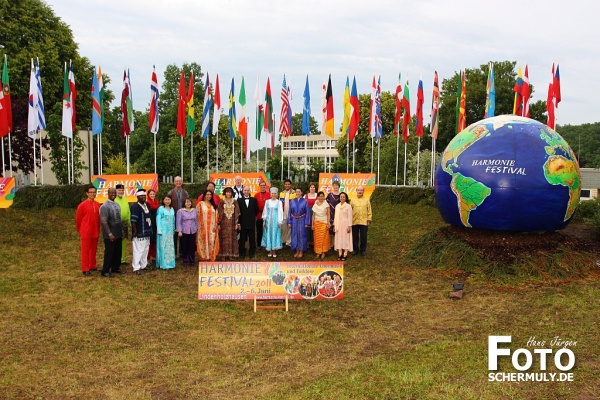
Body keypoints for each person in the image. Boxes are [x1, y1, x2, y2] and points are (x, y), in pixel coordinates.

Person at [99, 187, 125, 277]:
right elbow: (104, 222)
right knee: (109, 252)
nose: (113, 194)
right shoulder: (104, 206)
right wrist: (109, 234)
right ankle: (105, 270)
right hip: (109, 234)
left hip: (117, 232)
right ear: (108, 194)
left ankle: (115, 267)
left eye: (114, 193)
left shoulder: (117, 205)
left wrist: (121, 231)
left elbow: (120, 219)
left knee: (118, 252)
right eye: (111, 193)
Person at [75, 185, 100, 276]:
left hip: (95, 230)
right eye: (91, 192)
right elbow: (78, 219)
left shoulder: (97, 204)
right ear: (87, 193)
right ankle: (85, 268)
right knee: (85, 251)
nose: (93, 194)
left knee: (93, 250)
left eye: (94, 192)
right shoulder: (82, 205)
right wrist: (80, 229)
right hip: (86, 231)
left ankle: (92, 265)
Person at [130, 189, 153, 275]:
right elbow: (133, 220)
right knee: (138, 250)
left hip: (147, 231)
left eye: (144, 195)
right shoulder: (135, 206)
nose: (143, 197)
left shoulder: (147, 204)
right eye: (141, 196)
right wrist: (135, 231)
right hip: (139, 232)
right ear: (137, 197)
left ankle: (143, 264)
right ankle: (136, 267)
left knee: (145, 249)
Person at [166, 176, 189, 258]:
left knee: (183, 234)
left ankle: (182, 252)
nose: (178, 183)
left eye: (180, 181)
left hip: (183, 216)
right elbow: (167, 203)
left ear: (182, 182)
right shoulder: (170, 193)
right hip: (174, 215)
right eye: (177, 181)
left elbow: (188, 204)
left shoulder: (185, 193)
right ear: (174, 182)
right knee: (174, 234)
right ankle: (174, 253)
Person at [217, 187, 240, 260]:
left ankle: (230, 254)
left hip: (232, 223)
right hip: (223, 223)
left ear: (232, 193)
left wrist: (236, 223)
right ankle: (223, 254)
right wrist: (219, 223)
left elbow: (237, 213)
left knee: (232, 238)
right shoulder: (222, 202)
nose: (228, 194)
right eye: (227, 192)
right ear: (224, 193)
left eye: (230, 192)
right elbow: (219, 213)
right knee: (223, 238)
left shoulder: (235, 201)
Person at [196, 190, 219, 261]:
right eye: (207, 194)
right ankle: (204, 257)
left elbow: (216, 215)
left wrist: (216, 225)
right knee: (203, 241)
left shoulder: (213, 205)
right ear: (204, 195)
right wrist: (198, 226)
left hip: (212, 227)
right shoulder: (200, 204)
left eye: (210, 195)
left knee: (211, 241)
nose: (209, 196)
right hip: (203, 227)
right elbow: (197, 215)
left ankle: (211, 257)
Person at [288, 187, 311, 258]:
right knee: (295, 235)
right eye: (296, 192)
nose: (297, 193)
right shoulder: (292, 201)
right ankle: (297, 250)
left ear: (301, 193)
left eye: (299, 192)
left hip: (302, 220)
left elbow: (307, 212)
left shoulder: (305, 201)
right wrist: (289, 221)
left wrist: (307, 223)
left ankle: (301, 251)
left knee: (302, 235)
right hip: (294, 220)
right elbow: (289, 212)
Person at [237, 186, 259, 259]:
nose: (246, 192)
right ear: (243, 191)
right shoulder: (239, 200)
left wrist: (251, 216)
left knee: (252, 239)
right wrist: (239, 222)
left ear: (250, 191)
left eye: (248, 190)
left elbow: (257, 210)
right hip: (242, 223)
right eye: (245, 190)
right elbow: (238, 212)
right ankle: (242, 253)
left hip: (251, 223)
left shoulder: (254, 200)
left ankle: (252, 252)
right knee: (242, 239)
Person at [156, 195, 176, 269]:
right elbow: (158, 219)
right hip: (163, 231)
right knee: (163, 247)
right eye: (166, 200)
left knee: (170, 247)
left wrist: (174, 229)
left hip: (170, 231)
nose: (167, 201)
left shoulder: (172, 209)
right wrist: (159, 230)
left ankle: (170, 263)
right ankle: (163, 264)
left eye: (169, 200)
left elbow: (173, 220)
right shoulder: (161, 209)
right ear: (163, 201)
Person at [262, 187, 283, 258]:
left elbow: (280, 212)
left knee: (275, 234)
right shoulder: (267, 201)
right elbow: (265, 211)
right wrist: (264, 220)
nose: (273, 195)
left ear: (276, 194)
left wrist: (280, 221)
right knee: (269, 234)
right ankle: (270, 250)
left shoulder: (279, 202)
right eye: (272, 193)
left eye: (275, 193)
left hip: (275, 221)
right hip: (268, 221)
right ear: (270, 194)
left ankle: (274, 250)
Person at [351, 185, 372, 256]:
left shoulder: (367, 200)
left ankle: (363, 250)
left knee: (364, 236)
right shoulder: (352, 200)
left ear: (363, 191)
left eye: (361, 190)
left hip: (364, 221)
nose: (360, 191)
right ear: (356, 191)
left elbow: (369, 210)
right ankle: (355, 249)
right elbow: (349, 210)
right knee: (355, 236)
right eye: (358, 190)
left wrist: (369, 219)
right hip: (354, 221)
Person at [176, 198, 198, 267]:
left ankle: (192, 260)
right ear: (184, 203)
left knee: (192, 246)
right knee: (184, 246)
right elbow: (178, 221)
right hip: (184, 231)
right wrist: (179, 231)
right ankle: (185, 260)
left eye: (189, 202)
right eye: (186, 202)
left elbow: (196, 220)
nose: (188, 203)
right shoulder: (180, 211)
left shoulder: (194, 210)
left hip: (193, 230)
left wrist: (197, 228)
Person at [114, 184, 131, 265]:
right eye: (119, 190)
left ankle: (122, 259)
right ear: (116, 191)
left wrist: (130, 223)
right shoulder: (114, 200)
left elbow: (128, 212)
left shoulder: (125, 199)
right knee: (117, 241)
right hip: (116, 224)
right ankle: (116, 259)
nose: (121, 191)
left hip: (124, 223)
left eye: (122, 190)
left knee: (124, 241)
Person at [333, 192, 353, 260]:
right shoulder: (337, 206)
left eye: (343, 197)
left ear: (346, 198)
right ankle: (340, 254)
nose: (342, 198)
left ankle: (345, 254)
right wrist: (334, 225)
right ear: (339, 198)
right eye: (341, 197)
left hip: (345, 224)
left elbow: (350, 217)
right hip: (338, 224)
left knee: (346, 238)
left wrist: (349, 226)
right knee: (339, 238)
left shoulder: (348, 206)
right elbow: (335, 217)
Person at [312, 191, 330, 260]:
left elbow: (328, 214)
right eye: (319, 196)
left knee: (324, 238)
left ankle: (323, 252)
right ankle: (318, 252)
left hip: (324, 223)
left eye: (322, 196)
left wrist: (328, 223)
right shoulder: (315, 203)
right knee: (317, 239)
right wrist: (312, 224)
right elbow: (313, 215)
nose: (321, 198)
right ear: (318, 197)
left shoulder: (326, 204)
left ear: (324, 197)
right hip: (316, 223)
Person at [254, 180, 270, 249]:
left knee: (268, 230)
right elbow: (254, 206)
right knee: (259, 230)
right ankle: (259, 244)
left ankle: (267, 243)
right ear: (259, 186)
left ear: (265, 186)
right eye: (261, 185)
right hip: (259, 215)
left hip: (268, 215)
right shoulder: (256, 195)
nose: (263, 187)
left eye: (264, 185)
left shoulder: (269, 194)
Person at [326, 180, 341, 248]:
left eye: (337, 185)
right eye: (334, 185)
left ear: (339, 186)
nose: (335, 187)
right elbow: (326, 204)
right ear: (332, 186)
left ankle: (334, 243)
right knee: (330, 229)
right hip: (330, 213)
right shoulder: (329, 195)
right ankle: (329, 243)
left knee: (336, 228)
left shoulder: (341, 195)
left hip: (339, 214)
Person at [146, 189, 159, 268]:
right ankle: (148, 258)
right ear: (148, 195)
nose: (152, 195)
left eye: (153, 194)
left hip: (156, 224)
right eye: (151, 194)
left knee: (155, 241)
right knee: (150, 242)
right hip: (150, 224)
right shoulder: (147, 203)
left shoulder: (156, 203)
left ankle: (154, 257)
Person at [279, 179, 294, 246]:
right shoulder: (281, 193)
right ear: (284, 185)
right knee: (283, 228)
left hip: (291, 214)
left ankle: (289, 241)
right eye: (286, 184)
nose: (287, 185)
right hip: (283, 213)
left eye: (288, 184)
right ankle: (283, 240)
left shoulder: (294, 193)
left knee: (290, 228)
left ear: (290, 185)